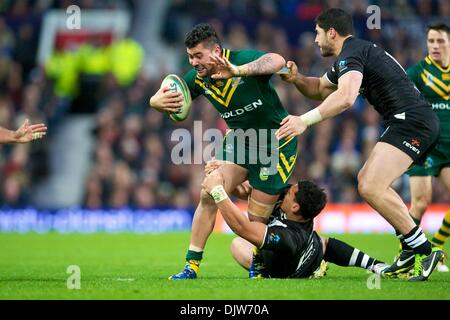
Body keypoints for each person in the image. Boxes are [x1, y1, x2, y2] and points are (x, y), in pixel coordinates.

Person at [276, 8, 443, 281]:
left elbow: (345, 97)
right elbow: (319, 88)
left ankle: (425, 249)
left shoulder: (352, 53)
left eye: (318, 33)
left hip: (412, 122)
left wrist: (304, 121)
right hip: (410, 121)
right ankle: (409, 251)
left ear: (332, 32)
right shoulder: (352, 55)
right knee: (371, 183)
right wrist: (295, 79)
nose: (315, 40)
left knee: (370, 185)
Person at [149, 23, 298, 279]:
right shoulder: (199, 78)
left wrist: (239, 71)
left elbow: (277, 60)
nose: (193, 62)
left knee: (255, 220)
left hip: (275, 143)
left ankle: (270, 262)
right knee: (208, 191)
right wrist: (154, 101)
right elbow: (171, 96)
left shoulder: (242, 60)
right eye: (189, 56)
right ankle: (191, 266)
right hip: (240, 141)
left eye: (198, 55)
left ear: (216, 51)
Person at [201, 166, 388, 279]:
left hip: (291, 267)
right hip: (304, 243)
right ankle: (375, 264)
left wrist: (218, 191)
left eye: (290, 194)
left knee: (238, 244)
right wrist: (225, 173)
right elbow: (248, 190)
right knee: (322, 241)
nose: (286, 192)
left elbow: (244, 228)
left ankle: (316, 268)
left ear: (295, 208)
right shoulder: (293, 201)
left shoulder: (290, 238)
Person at [402, 23, 450, 273]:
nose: (435, 46)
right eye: (431, 41)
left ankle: (436, 249)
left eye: (440, 41)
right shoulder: (417, 73)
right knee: (421, 202)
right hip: (425, 146)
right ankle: (406, 257)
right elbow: (399, 98)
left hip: (449, 150)